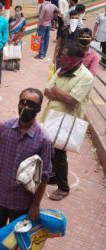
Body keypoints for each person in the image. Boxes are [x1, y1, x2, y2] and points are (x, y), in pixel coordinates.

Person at [0, 88, 52, 234]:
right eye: (22, 103)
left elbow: (44, 176)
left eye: (31, 105)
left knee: (15, 239)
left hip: (22, 202)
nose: (25, 108)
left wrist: (35, 205)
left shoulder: (44, 140)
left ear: (38, 109)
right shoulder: (4, 128)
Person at [41, 43, 93, 201]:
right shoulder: (61, 70)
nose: (60, 58)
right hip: (51, 116)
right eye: (61, 55)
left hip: (67, 119)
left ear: (76, 59)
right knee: (50, 148)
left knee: (59, 153)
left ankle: (63, 187)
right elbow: (46, 90)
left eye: (65, 56)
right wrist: (59, 93)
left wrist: (56, 91)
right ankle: (54, 176)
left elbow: (72, 101)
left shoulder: (86, 77)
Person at [3, 5, 26, 71]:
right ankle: (8, 66)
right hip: (10, 37)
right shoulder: (11, 18)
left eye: (18, 11)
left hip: (18, 37)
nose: (17, 12)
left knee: (16, 53)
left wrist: (18, 40)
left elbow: (23, 31)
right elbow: (7, 28)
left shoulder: (23, 20)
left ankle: (16, 66)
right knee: (9, 51)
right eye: (16, 11)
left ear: (21, 11)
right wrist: (8, 38)